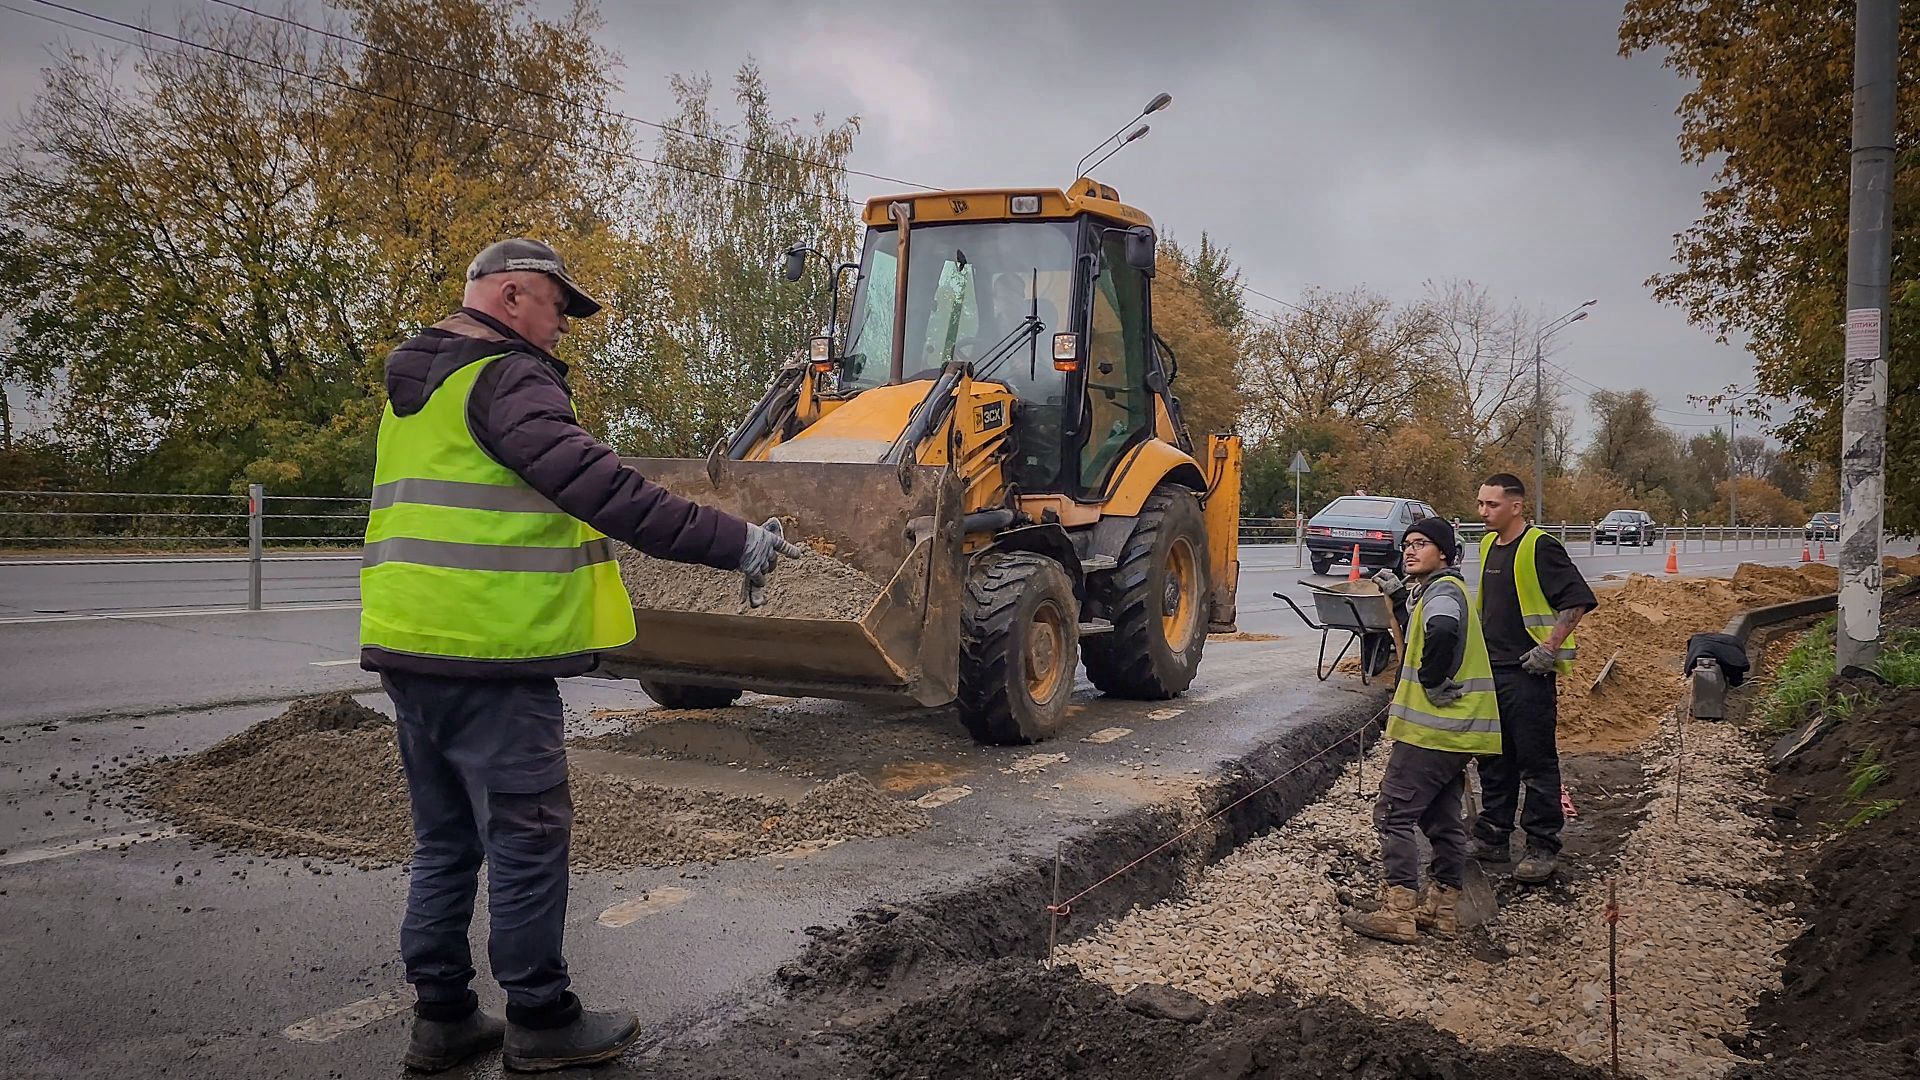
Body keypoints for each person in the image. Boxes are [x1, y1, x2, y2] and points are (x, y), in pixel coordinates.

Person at [359, 238, 804, 1073]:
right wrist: (734, 540)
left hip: (411, 645)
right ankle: (540, 1019)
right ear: (513, 295)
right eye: (559, 306)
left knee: (446, 840)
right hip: (491, 652)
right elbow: (605, 490)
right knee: (526, 836)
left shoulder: (419, 388)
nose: (565, 324)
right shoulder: (506, 377)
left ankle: (444, 1017)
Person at [1343, 517, 1501, 944]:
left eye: (1422, 544)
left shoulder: (1443, 594)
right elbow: (1426, 620)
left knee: (1393, 814)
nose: (1410, 551)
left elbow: (1443, 628)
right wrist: (1398, 598)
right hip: (1460, 732)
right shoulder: (1442, 591)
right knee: (1441, 817)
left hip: (1434, 732)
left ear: (1445, 554)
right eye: (1408, 544)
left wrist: (1432, 680)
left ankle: (1399, 912)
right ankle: (1441, 908)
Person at [1469, 473, 1598, 884]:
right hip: (1491, 671)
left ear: (1516, 506)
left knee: (1535, 763)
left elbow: (1577, 598)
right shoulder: (1489, 545)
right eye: (1481, 503)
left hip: (1527, 673)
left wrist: (1550, 648)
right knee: (1493, 759)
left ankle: (1542, 845)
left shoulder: (1539, 546)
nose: (1483, 512)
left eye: (1491, 505)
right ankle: (1494, 836)